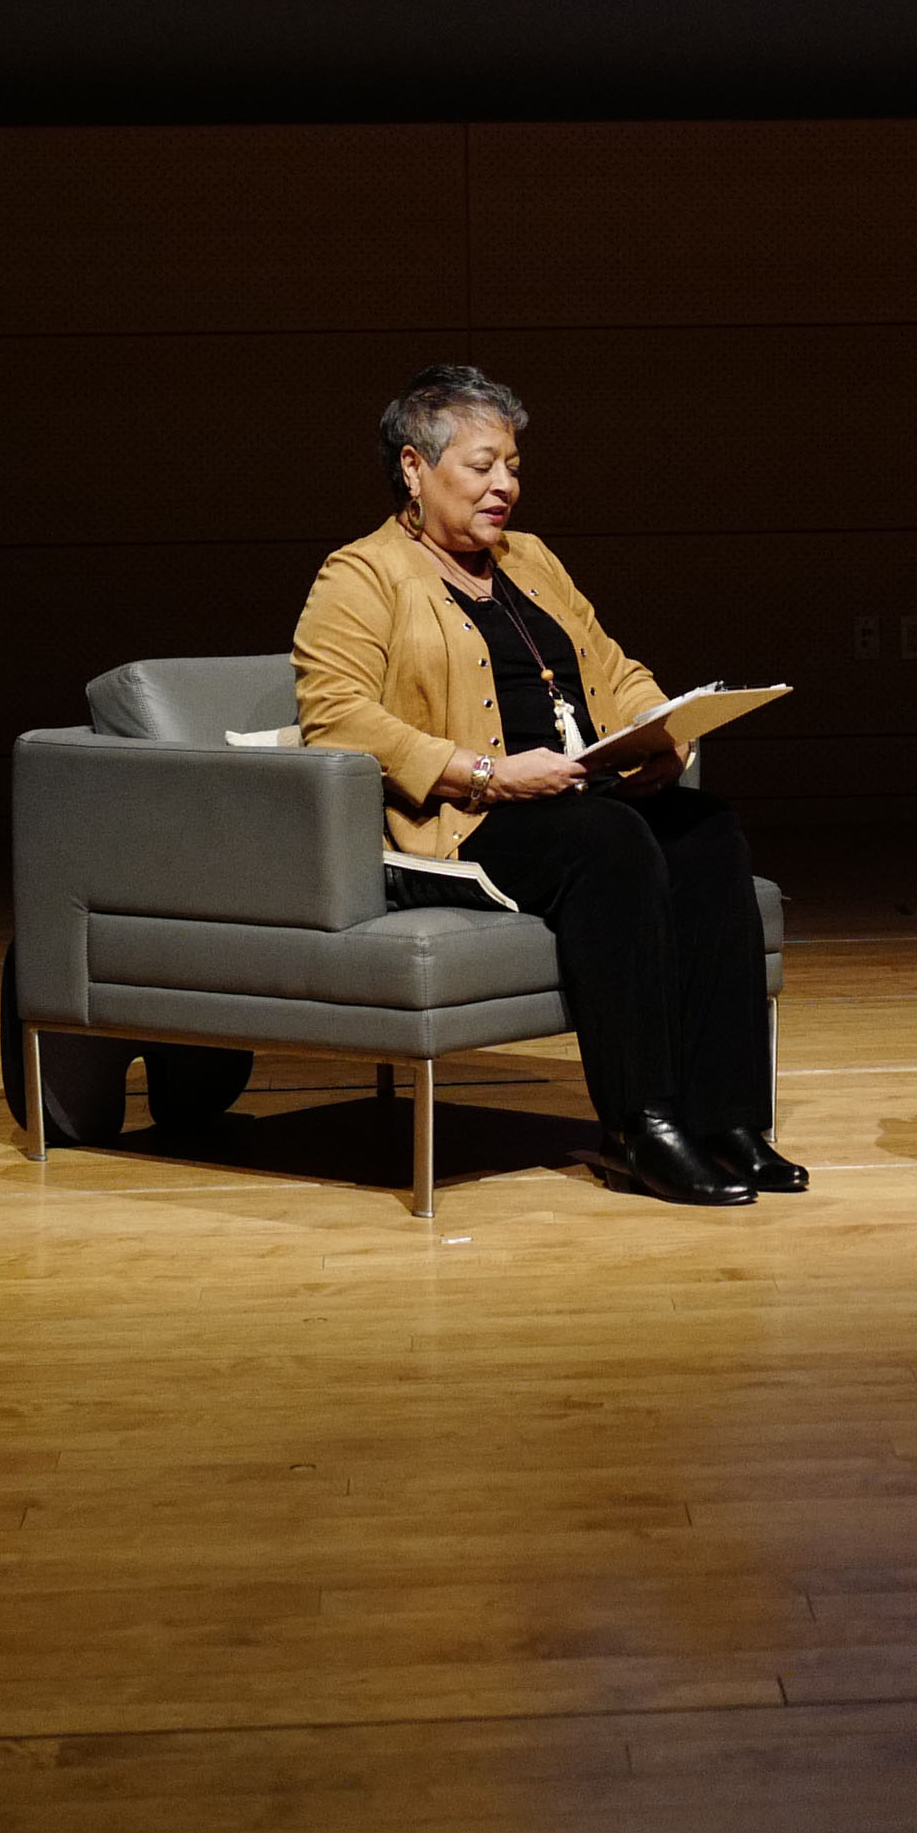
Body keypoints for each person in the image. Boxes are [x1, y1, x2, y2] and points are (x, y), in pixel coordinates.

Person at [292, 366, 800, 1210]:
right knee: (608, 843)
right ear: (414, 469)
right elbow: (336, 718)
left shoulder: (528, 560)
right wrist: (485, 771)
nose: (505, 487)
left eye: (514, 467)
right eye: (482, 466)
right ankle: (640, 1126)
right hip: (461, 825)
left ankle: (729, 1123)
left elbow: (611, 666)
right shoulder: (361, 575)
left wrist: (659, 732)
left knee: (705, 826)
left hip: (574, 796)